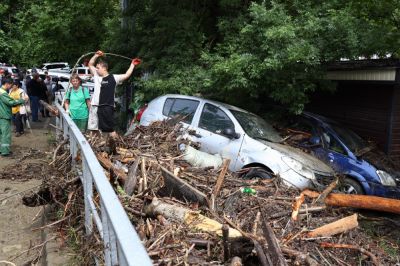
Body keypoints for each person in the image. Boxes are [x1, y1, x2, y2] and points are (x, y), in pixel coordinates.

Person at [87, 50, 141, 138]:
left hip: (107, 107)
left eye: (98, 67)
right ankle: (96, 147)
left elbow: (127, 75)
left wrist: (132, 64)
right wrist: (96, 55)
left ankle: (117, 144)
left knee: (108, 130)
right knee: (93, 129)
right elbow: (90, 64)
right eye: (96, 68)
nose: (96, 69)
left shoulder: (114, 78)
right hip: (95, 106)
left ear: (104, 68)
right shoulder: (96, 76)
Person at [0, 78, 26, 156]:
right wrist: (22, 100)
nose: (11, 87)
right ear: (7, 84)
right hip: (4, 115)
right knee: (5, 134)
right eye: (11, 85)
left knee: (1, 134)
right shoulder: (3, 93)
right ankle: (5, 152)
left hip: (1, 114)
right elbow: (10, 102)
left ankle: (2, 150)